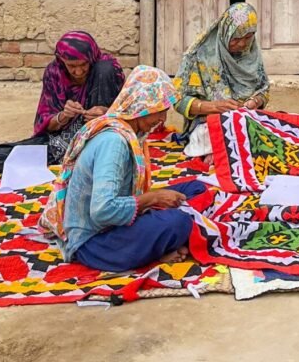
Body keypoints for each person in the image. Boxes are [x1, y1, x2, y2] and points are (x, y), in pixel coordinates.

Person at [39, 65, 207, 271]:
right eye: (160, 110)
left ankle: (163, 242)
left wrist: (154, 198)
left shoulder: (129, 132)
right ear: (141, 105)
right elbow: (102, 211)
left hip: (114, 223)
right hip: (95, 243)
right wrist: (153, 199)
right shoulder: (115, 142)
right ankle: (161, 246)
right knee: (179, 221)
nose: (163, 119)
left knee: (197, 188)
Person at [0, 31, 124, 172]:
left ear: (92, 57)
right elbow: (47, 124)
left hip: (103, 141)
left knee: (104, 69)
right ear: (61, 61)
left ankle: (89, 155)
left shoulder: (106, 70)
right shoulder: (54, 73)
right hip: (61, 144)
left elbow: (129, 113)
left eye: (83, 64)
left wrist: (106, 113)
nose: (79, 71)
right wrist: (63, 116)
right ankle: (74, 156)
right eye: (71, 66)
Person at [174, 3, 271, 158]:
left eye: (248, 37)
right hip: (209, 123)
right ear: (225, 32)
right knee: (219, 136)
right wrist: (213, 107)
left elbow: (263, 89)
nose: (242, 44)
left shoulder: (251, 54)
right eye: (236, 38)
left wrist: (254, 102)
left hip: (246, 120)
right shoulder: (198, 55)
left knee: (273, 129)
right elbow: (177, 100)